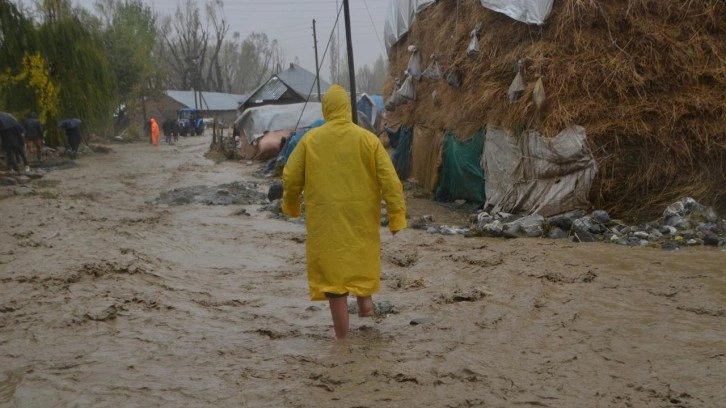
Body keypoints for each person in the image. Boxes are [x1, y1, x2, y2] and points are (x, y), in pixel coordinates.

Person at [282, 84, 407, 340]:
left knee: (334, 282)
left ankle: (342, 341)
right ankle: (366, 307)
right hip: (361, 219)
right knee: (360, 262)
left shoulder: (311, 140)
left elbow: (290, 176)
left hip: (326, 223)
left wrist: (292, 206)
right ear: (347, 109)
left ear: (326, 109)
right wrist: (396, 216)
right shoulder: (368, 140)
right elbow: (391, 181)